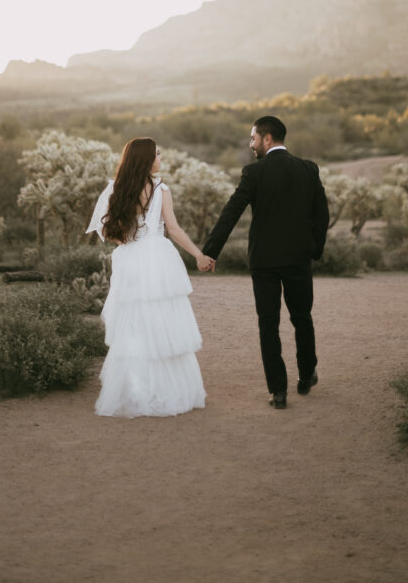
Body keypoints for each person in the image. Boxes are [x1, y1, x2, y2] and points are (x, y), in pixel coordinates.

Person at [202, 116, 329, 410]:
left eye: (253, 138)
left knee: (267, 324)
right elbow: (321, 214)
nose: (251, 144)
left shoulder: (254, 172)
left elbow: (231, 211)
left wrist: (211, 251)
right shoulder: (308, 169)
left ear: (267, 139)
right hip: (299, 258)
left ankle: (278, 391)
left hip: (264, 261)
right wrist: (314, 249)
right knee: (302, 318)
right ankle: (307, 374)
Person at [86, 137, 214, 418]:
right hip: (157, 256)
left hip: (130, 258)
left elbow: (108, 233)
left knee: (134, 324)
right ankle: (166, 390)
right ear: (145, 159)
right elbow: (175, 230)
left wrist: (129, 238)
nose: (160, 157)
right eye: (156, 154)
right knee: (162, 322)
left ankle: (134, 391)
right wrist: (198, 254)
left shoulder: (117, 189)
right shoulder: (161, 189)